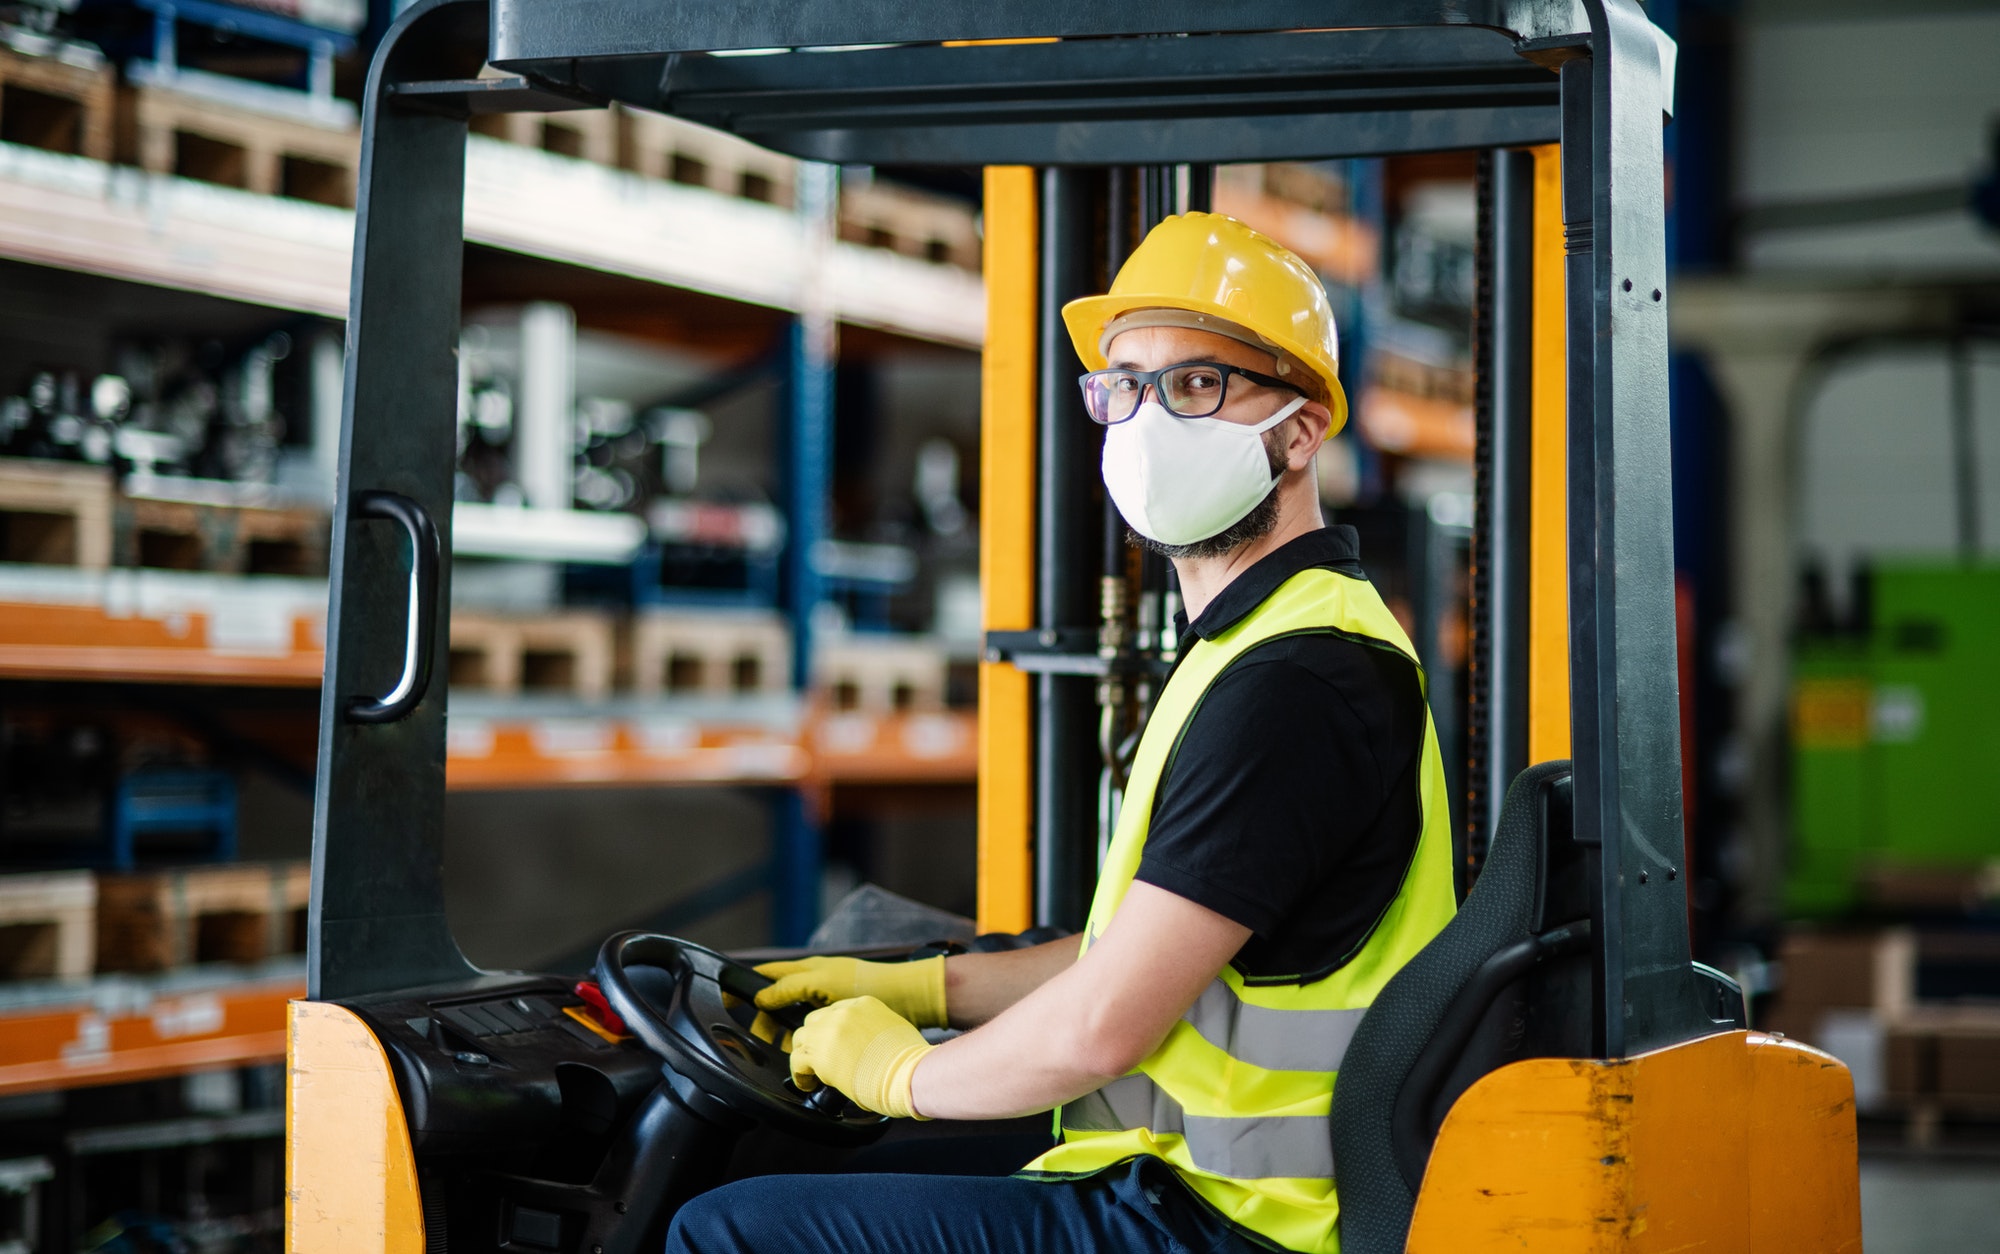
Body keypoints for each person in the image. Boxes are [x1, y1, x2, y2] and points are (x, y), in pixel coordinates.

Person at [665, 212, 1456, 1254]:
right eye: (1121, 387)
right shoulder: (1254, 642)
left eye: (1195, 385)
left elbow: (1101, 1027)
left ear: (1301, 429)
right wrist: (915, 985)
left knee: (732, 1233)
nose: (1145, 421)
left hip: (1231, 1224)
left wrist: (901, 1074)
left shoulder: (1295, 683)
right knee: (782, 1163)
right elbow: (1125, 962)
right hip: (1174, 1180)